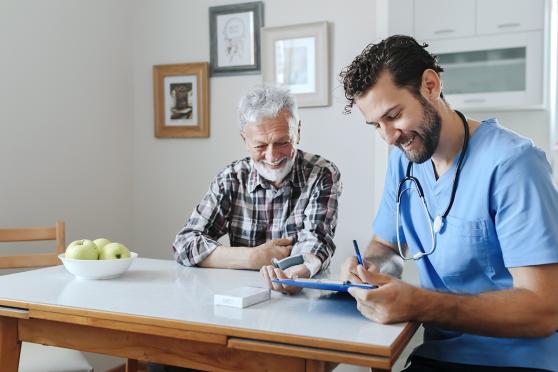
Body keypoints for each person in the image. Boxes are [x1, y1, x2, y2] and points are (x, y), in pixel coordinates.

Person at [339, 35, 558, 371]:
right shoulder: (405, 162)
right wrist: (370, 269)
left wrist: (419, 304)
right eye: (376, 125)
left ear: (430, 85)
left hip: (516, 361)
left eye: (394, 115)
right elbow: (386, 244)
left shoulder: (514, 165)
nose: (388, 137)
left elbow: (544, 310)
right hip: (438, 357)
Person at [172, 85, 342, 293]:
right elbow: (185, 243)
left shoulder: (322, 173)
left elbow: (317, 240)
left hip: (305, 294)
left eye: (282, 142)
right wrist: (253, 257)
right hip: (240, 295)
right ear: (245, 139)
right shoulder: (231, 178)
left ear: (297, 131)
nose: (272, 157)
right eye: (260, 146)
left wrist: (299, 273)